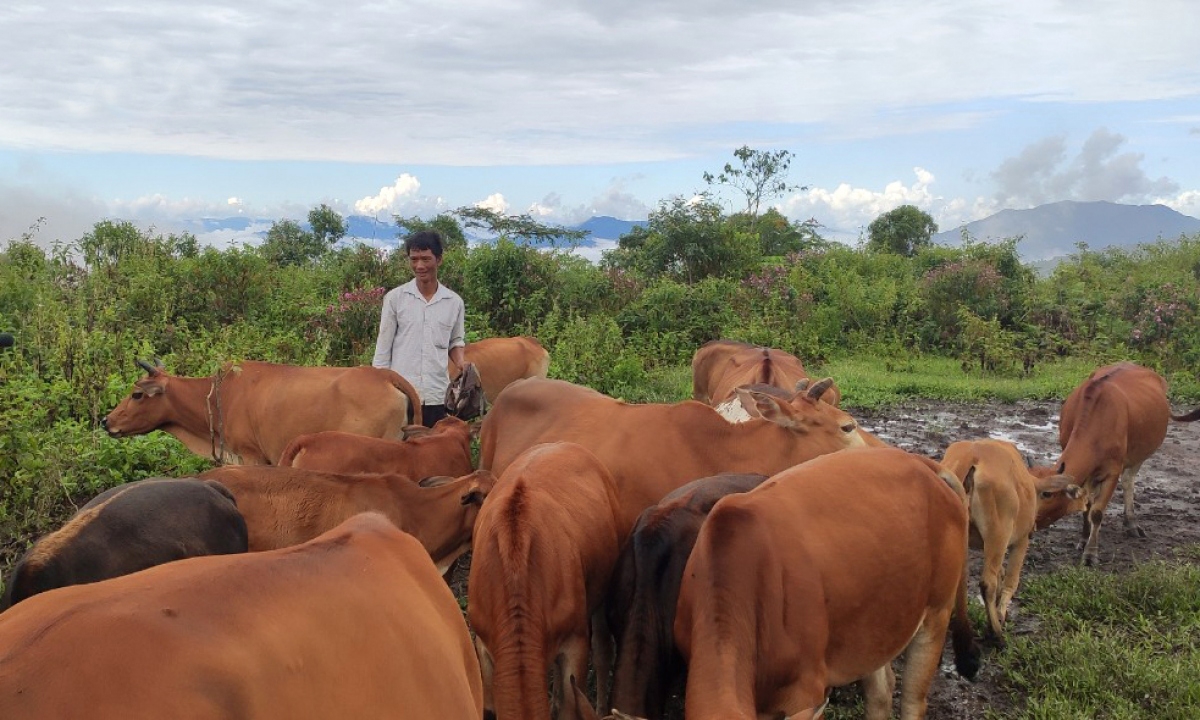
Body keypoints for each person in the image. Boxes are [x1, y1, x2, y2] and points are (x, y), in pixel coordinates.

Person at [372, 230, 466, 427]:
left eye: (425, 259)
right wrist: (378, 390)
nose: (419, 266)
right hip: (400, 395)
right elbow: (383, 347)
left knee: (432, 453)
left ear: (439, 260)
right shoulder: (395, 299)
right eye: (414, 259)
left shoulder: (453, 302)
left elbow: (455, 341)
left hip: (437, 395)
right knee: (399, 453)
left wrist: (462, 364)